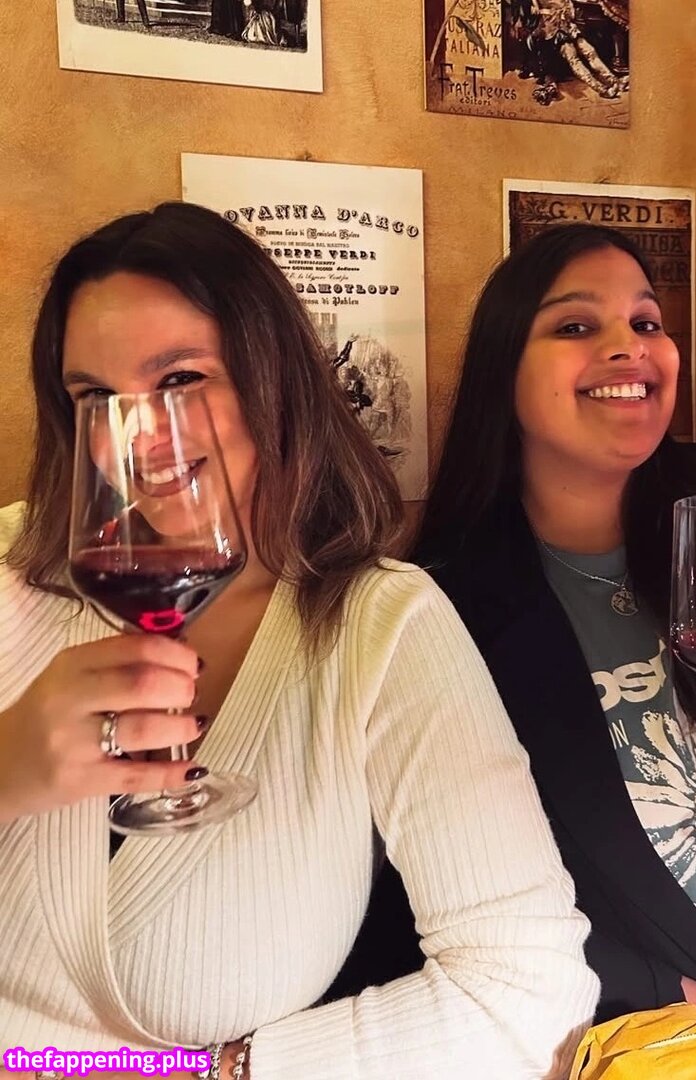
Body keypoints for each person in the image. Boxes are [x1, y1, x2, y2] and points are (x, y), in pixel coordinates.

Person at [0, 203, 598, 1078]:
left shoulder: (382, 628)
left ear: (271, 381)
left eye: (181, 379)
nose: (140, 437)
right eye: (96, 396)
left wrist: (220, 1073)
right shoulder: (12, 569)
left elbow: (529, 992)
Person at [336, 222, 696, 1023]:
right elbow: (448, 894)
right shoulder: (436, 611)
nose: (629, 347)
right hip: (693, 1037)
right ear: (502, 371)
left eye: (646, 322)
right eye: (576, 326)